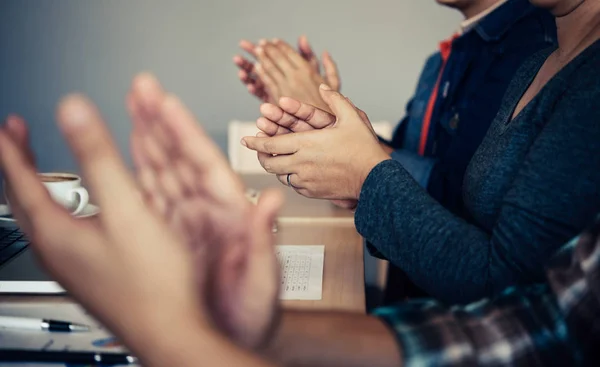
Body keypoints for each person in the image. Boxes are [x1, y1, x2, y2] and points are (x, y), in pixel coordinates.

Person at [1, 73, 599, 367]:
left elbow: (505, 287)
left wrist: (173, 336)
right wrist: (262, 333)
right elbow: (540, 323)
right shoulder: (536, 59)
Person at [242, 0, 600, 304]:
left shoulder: (537, 44)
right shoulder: (518, 61)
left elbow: (452, 198)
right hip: (421, 296)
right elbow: (399, 162)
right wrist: (336, 139)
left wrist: (359, 167)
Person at [236, 0, 556, 216]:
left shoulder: (534, 46)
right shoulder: (449, 55)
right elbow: (394, 162)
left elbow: (460, 199)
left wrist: (323, 107)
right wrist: (321, 114)